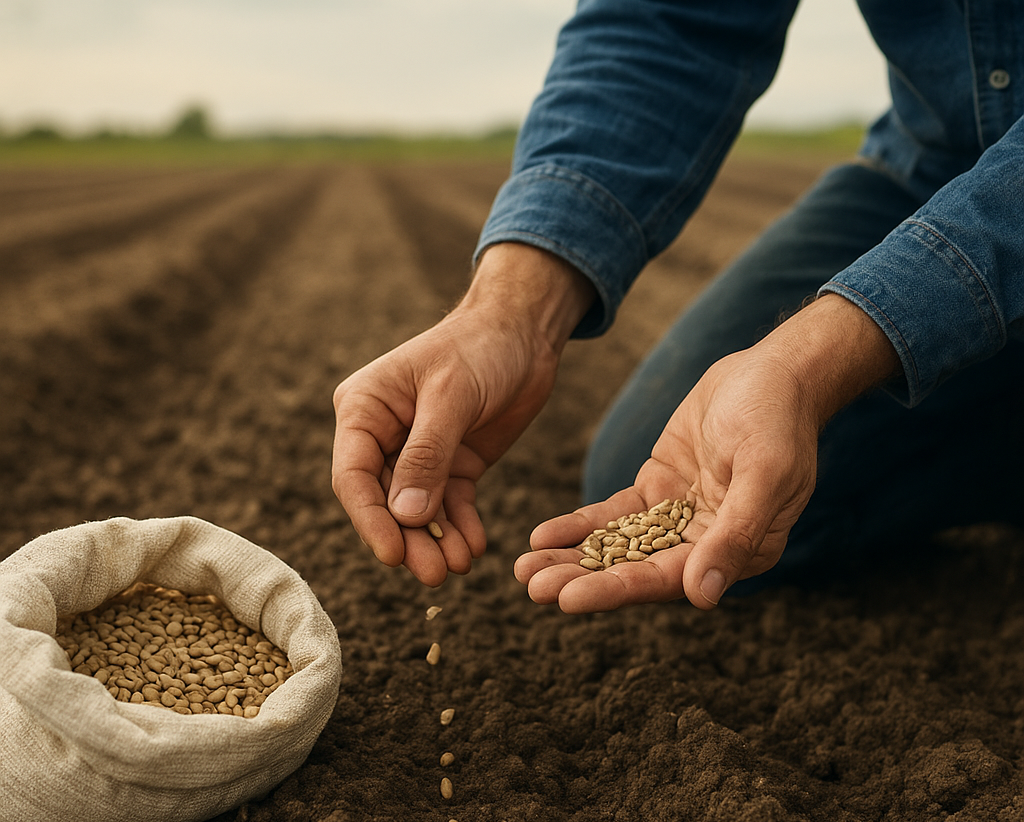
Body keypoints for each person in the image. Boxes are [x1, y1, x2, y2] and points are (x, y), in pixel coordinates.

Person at [332, 0, 1024, 613]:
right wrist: (511, 311)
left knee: (734, 485)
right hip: (937, 166)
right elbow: (665, 21)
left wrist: (816, 359)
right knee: (684, 487)